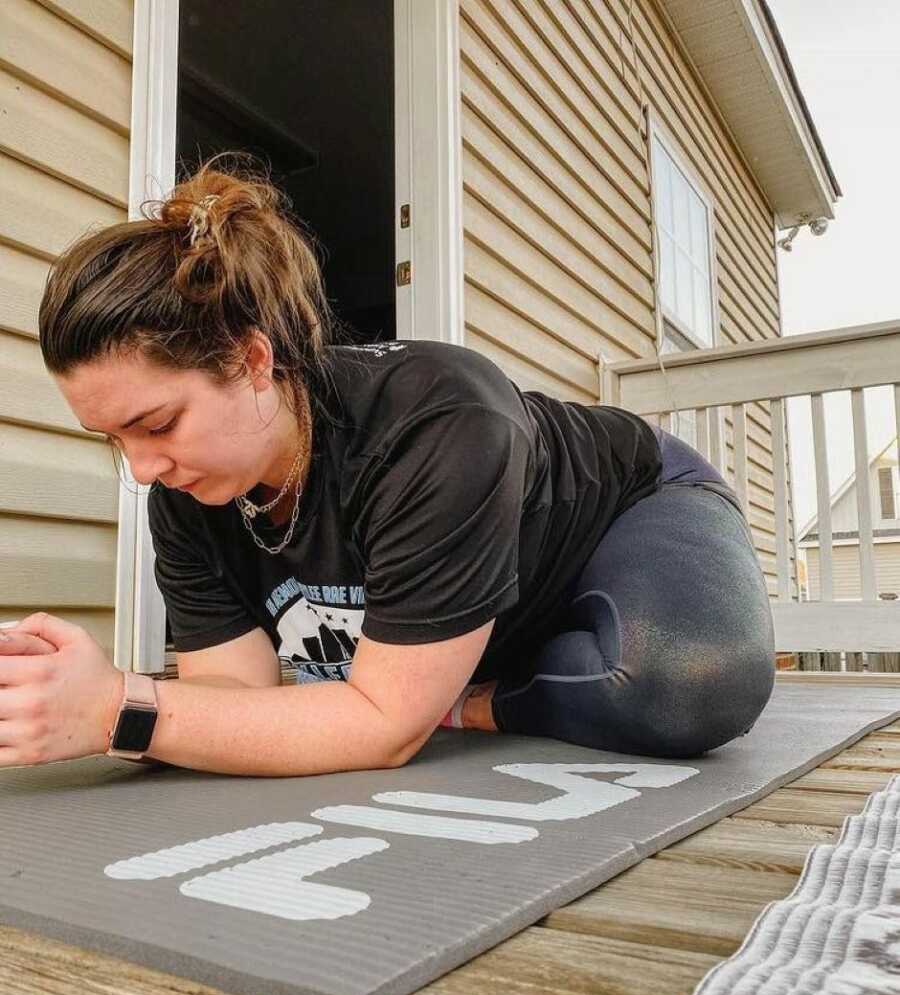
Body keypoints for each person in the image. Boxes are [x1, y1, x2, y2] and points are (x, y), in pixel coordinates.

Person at [0, 152, 775, 775]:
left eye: (158, 423)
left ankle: (469, 694)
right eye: (113, 440)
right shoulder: (184, 489)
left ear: (253, 360)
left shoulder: (438, 421)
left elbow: (382, 728)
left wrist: (121, 710)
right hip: (472, 607)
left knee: (683, 687)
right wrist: (68, 697)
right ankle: (452, 664)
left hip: (628, 505)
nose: (140, 470)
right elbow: (230, 694)